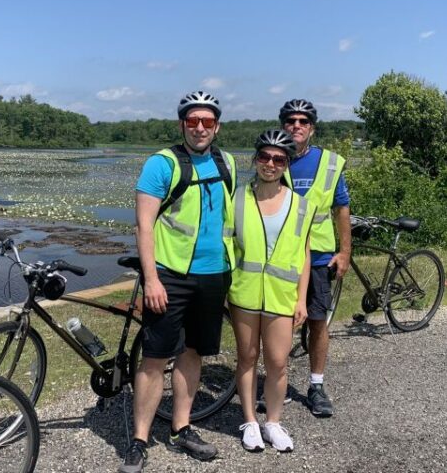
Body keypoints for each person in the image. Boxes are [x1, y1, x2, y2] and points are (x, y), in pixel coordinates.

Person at [120, 91, 237, 473]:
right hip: (170, 276)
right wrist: (151, 279)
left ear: (217, 126)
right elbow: (144, 226)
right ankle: (139, 439)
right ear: (182, 124)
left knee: (193, 353)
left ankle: (180, 427)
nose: (200, 128)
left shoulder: (227, 162)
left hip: (213, 274)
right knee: (155, 357)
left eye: (207, 122)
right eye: (192, 121)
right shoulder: (161, 164)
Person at [228, 129, 315, 453]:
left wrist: (302, 298)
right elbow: (227, 245)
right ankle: (250, 420)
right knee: (247, 358)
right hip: (245, 292)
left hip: (282, 295)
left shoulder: (302, 205)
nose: (270, 163)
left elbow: (304, 255)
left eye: (279, 159)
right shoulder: (237, 198)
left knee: (278, 362)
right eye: (264, 156)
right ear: (256, 159)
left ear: (287, 164)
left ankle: (273, 422)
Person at [279, 98, 351, 417]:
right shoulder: (274, 159)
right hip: (282, 257)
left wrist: (345, 251)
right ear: (283, 125)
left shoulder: (330, 163)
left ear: (312, 128)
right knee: (280, 323)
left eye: (303, 121)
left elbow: (341, 208)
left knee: (318, 321)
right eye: (291, 121)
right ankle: (276, 386)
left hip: (320, 257)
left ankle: (317, 386)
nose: (297, 125)